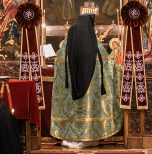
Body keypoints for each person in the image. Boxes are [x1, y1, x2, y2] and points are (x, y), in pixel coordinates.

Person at [50, 13, 123, 148]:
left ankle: (72, 138)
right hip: (91, 88)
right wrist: (119, 69)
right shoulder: (92, 38)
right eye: (93, 24)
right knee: (89, 108)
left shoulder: (70, 36)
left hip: (70, 86)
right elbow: (106, 63)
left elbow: (59, 62)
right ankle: (88, 137)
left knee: (72, 109)